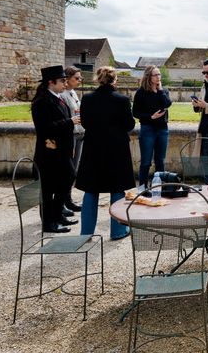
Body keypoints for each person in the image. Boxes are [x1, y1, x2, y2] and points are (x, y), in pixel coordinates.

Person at [76, 66, 136, 240]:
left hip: (93, 148)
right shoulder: (122, 100)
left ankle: (86, 233)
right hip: (116, 149)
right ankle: (117, 231)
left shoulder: (87, 98)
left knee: (91, 189)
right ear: (114, 80)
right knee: (117, 188)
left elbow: (85, 122)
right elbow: (129, 125)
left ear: (97, 79)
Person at [31, 65, 80, 233]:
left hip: (62, 150)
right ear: (50, 83)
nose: (64, 84)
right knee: (48, 188)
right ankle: (48, 223)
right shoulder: (41, 102)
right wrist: (70, 122)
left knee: (67, 177)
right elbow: (45, 128)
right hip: (49, 152)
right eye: (62, 81)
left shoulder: (58, 98)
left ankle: (58, 214)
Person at [132, 65, 172, 187]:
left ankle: (159, 187)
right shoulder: (141, 92)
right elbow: (135, 112)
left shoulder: (163, 91)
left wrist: (160, 90)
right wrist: (150, 117)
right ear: (149, 77)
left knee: (160, 161)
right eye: (155, 75)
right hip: (147, 129)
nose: (158, 77)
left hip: (162, 129)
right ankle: (143, 188)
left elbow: (167, 104)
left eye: (159, 74)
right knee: (146, 162)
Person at [59, 66, 84, 213]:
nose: (79, 80)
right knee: (67, 171)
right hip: (71, 135)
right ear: (67, 79)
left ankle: (68, 200)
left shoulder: (73, 92)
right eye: (77, 78)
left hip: (79, 133)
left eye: (80, 78)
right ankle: (63, 201)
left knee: (73, 170)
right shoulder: (62, 95)